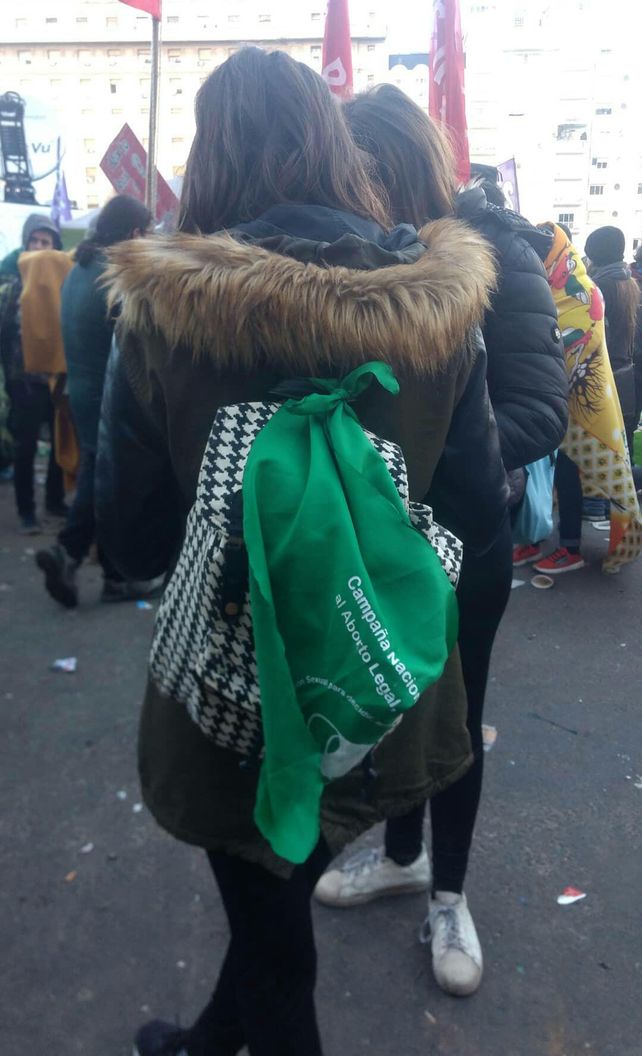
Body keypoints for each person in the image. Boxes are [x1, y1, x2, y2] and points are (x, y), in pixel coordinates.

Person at [96, 49, 506, 1055]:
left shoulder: (160, 313)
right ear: (337, 148)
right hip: (382, 685)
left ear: (209, 157)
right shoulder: (441, 304)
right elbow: (477, 509)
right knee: (271, 913)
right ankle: (201, 1043)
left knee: (278, 943)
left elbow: (132, 540)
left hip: (237, 703)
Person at [312, 84, 568, 997]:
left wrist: (439, 452)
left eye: (358, 171)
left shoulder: (495, 252)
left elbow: (542, 408)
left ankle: (448, 893)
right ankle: (403, 855)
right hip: (374, 541)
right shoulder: (359, 259)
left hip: (468, 535)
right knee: (385, 704)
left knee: (455, 716)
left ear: (392, 168)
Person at [35, 195, 159, 607]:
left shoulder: (80, 267)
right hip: (108, 397)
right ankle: (72, 552)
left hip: (80, 392)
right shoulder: (116, 274)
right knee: (107, 484)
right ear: (135, 233)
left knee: (100, 476)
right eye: (150, 231)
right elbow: (139, 343)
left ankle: (112, 575)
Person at [531, 223, 642, 576]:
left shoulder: (589, 289)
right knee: (609, 461)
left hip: (590, 389)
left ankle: (570, 547)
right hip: (619, 384)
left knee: (570, 464)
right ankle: (589, 529)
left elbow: (577, 339)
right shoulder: (626, 284)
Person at [0, 215, 68, 533]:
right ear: (25, 245)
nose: (40, 248)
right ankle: (26, 511)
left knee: (58, 443)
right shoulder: (12, 286)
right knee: (26, 447)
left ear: (56, 247)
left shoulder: (66, 285)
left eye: (46, 242)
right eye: (35, 242)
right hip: (22, 381)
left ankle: (55, 501)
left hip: (56, 380)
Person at [585, 226, 640, 457]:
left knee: (602, 456)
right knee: (621, 452)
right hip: (628, 380)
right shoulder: (631, 284)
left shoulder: (598, 288)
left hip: (605, 380)